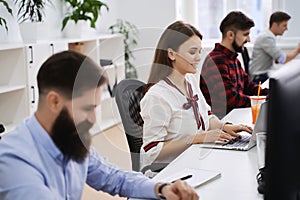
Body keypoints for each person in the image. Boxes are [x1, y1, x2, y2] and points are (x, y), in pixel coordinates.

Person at [0, 51, 199, 200]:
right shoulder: (15, 161)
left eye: (95, 107)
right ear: (54, 102)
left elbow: (115, 177)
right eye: (87, 108)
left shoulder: (68, 138)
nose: (93, 119)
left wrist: (161, 189)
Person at [140, 21, 252, 170]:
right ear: (172, 54)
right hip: (171, 170)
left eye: (199, 51)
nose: (199, 57)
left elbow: (207, 115)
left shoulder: (190, 81)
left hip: (196, 159)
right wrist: (196, 139)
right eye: (192, 52)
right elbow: (151, 151)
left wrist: (225, 127)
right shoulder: (157, 96)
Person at [199, 11, 268, 119]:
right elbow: (231, 99)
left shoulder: (234, 60)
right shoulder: (216, 61)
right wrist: (261, 100)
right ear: (230, 35)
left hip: (235, 117)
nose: (248, 40)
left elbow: (248, 86)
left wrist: (269, 93)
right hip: (224, 124)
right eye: (246, 34)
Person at [249, 11, 300, 83]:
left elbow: (278, 59)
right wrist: (298, 50)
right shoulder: (266, 38)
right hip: (259, 78)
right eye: (284, 25)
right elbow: (283, 59)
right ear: (275, 25)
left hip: (262, 75)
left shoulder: (268, 36)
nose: (286, 29)